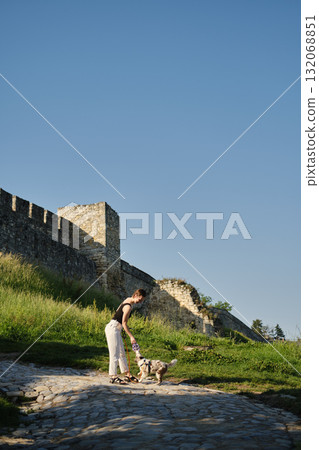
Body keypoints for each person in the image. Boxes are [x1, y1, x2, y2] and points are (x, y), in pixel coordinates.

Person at [105, 288, 147, 384]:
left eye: (141, 301)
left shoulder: (127, 300)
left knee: (121, 353)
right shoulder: (128, 307)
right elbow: (124, 323)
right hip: (113, 328)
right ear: (135, 295)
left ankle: (127, 374)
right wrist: (131, 336)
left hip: (116, 328)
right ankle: (113, 376)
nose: (139, 302)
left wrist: (121, 329)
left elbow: (117, 311)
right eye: (139, 300)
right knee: (114, 353)